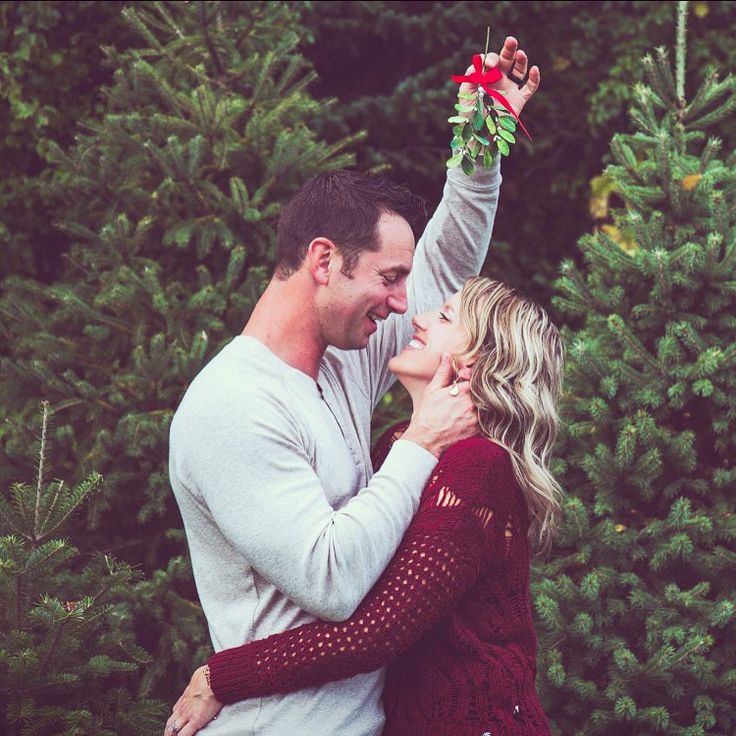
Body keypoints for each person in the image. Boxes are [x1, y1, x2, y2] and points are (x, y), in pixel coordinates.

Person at [167, 38, 540, 736]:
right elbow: (333, 582)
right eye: (389, 279)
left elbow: (449, 264)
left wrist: (482, 143)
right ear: (323, 261)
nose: (404, 304)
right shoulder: (231, 407)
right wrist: (422, 441)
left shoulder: (346, 360)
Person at [168, 277, 564, 735]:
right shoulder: (402, 446)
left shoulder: (477, 467)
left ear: (475, 361)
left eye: (445, 316)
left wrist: (222, 676)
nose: (417, 317)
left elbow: (374, 632)